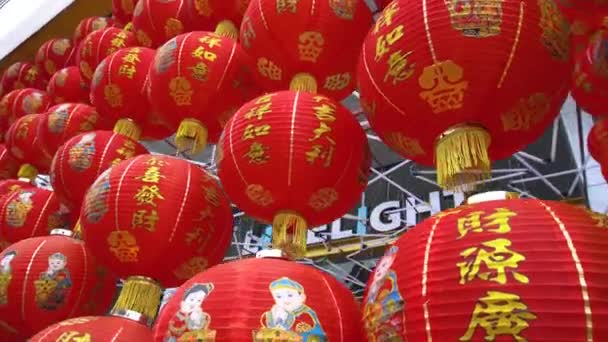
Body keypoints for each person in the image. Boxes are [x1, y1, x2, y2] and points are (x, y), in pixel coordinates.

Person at [258, 277, 326, 341]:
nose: (285, 300)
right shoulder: (274, 313)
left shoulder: (306, 314)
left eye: (290, 295)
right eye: (278, 296)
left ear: (302, 297)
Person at [364, 246, 406, 341]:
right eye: (379, 268)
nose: (379, 271)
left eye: (384, 266)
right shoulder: (375, 289)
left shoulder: (391, 280)